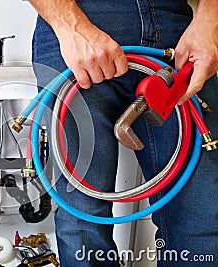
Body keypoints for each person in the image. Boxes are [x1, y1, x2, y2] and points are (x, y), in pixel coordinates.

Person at [28, 0, 218, 266]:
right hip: (78, 31)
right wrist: (70, 24)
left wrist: (211, 19)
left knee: (201, 218)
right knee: (83, 222)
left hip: (178, 30)